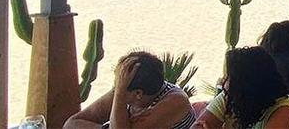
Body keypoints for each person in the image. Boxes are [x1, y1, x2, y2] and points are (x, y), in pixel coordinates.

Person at [65, 52, 195, 129]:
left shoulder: (176, 101)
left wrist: (120, 93)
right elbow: (71, 124)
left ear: (138, 94)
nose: (115, 87)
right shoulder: (126, 93)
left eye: (120, 82)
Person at [195, 47, 289, 129]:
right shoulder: (230, 97)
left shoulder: (283, 109)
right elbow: (198, 126)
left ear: (247, 85)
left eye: (229, 77)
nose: (223, 81)